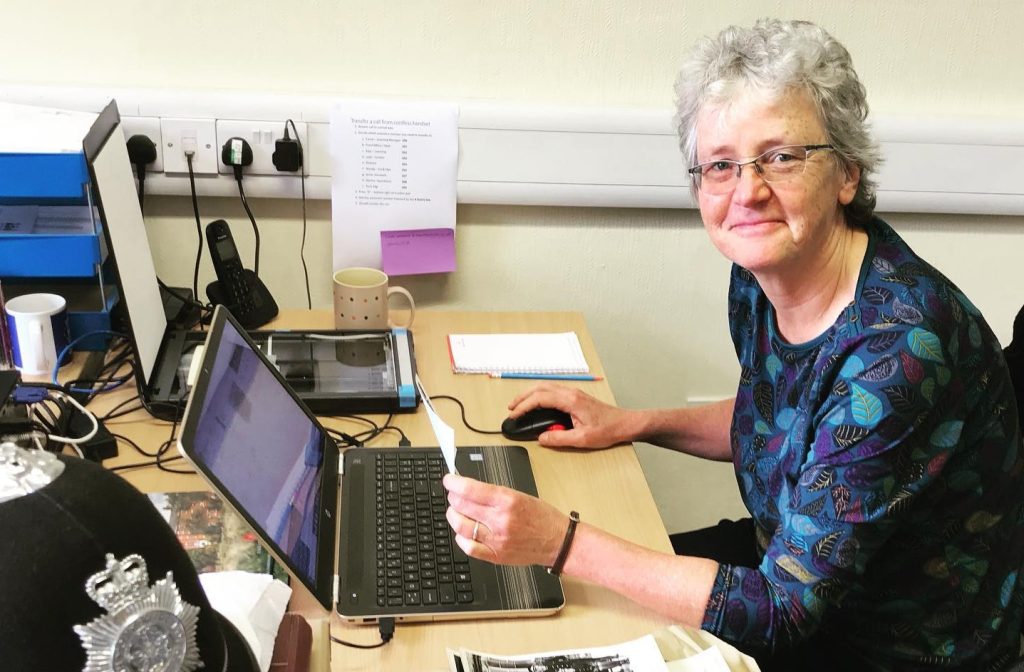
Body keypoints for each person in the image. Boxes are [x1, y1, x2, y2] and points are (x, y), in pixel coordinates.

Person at [443, 18, 1024, 671]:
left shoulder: (901, 349)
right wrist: (632, 423)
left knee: (568, 596)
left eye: (780, 156)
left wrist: (563, 543)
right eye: (721, 165)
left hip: (891, 648)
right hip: (791, 577)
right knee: (544, 609)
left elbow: (782, 614)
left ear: (847, 175)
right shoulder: (759, 279)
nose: (747, 191)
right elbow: (779, 422)